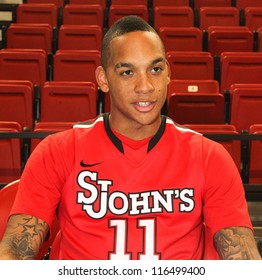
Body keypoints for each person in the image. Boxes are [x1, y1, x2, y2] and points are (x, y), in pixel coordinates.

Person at [0, 15, 261, 260]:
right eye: (127, 72)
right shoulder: (56, 151)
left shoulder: (209, 157)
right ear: (103, 79)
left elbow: (242, 258)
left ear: (168, 73)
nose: (145, 86)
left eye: (155, 69)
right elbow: (15, 249)